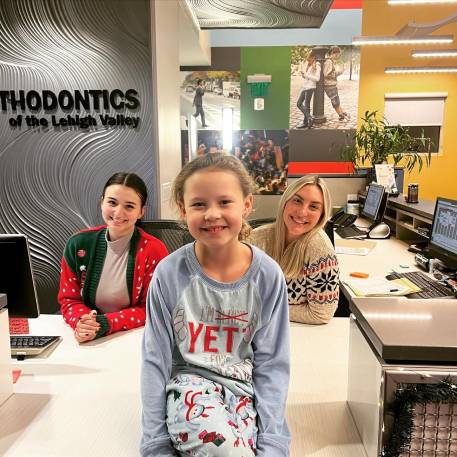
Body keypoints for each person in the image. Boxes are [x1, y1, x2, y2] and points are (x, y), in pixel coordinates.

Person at [140, 153, 290, 456]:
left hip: (242, 392)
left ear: (246, 205)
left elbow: (272, 364)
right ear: (183, 210)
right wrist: (154, 442)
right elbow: (154, 360)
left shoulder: (268, 276)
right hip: (189, 388)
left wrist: (273, 440)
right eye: (198, 204)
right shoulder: (169, 274)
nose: (212, 214)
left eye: (225, 202)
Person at [58, 172, 168, 343]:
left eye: (129, 206)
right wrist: (83, 323)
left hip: (134, 338)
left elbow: (150, 309)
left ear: (141, 212)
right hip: (89, 339)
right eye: (112, 202)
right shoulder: (78, 244)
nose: (118, 212)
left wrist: (107, 323)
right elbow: (70, 300)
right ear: (102, 202)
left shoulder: (154, 250)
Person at [250, 175, 339, 324]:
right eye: (297, 200)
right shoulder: (254, 240)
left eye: (313, 206)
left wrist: (264, 309)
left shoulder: (320, 250)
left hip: (298, 334)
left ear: (321, 215)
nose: (302, 212)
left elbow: (321, 314)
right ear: (285, 202)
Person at [323, 46, 350, 121]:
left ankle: (343, 113)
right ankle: (341, 115)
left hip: (332, 85)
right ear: (332, 53)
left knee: (336, 100)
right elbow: (326, 74)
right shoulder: (328, 61)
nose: (337, 56)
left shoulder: (331, 61)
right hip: (329, 85)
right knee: (335, 101)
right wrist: (338, 72)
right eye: (337, 54)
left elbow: (331, 73)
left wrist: (340, 71)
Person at [296, 50, 321, 129]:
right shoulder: (310, 65)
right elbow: (308, 77)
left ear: (313, 57)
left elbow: (317, 79)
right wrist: (304, 75)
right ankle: (309, 118)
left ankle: (305, 122)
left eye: (309, 58)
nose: (308, 59)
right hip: (305, 87)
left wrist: (306, 75)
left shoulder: (317, 65)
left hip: (310, 88)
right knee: (299, 103)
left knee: (306, 105)